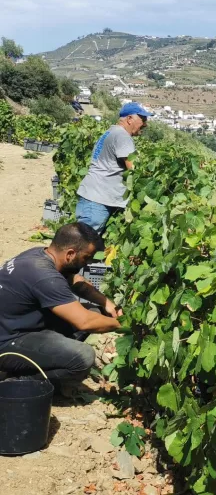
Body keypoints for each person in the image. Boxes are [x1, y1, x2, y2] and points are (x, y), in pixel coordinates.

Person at [0, 223, 123, 392]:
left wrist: (106, 303)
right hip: (6, 343)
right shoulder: (44, 277)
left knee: (94, 311)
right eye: (86, 258)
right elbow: (85, 322)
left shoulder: (39, 255)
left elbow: (76, 280)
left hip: (13, 326)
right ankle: (17, 384)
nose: (87, 263)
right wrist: (125, 324)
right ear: (70, 254)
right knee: (83, 357)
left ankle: (39, 362)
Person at [75, 102, 154, 234]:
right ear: (129, 119)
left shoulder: (111, 132)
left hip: (92, 196)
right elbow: (134, 169)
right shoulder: (123, 137)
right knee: (82, 242)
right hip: (97, 201)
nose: (145, 124)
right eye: (143, 119)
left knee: (83, 240)